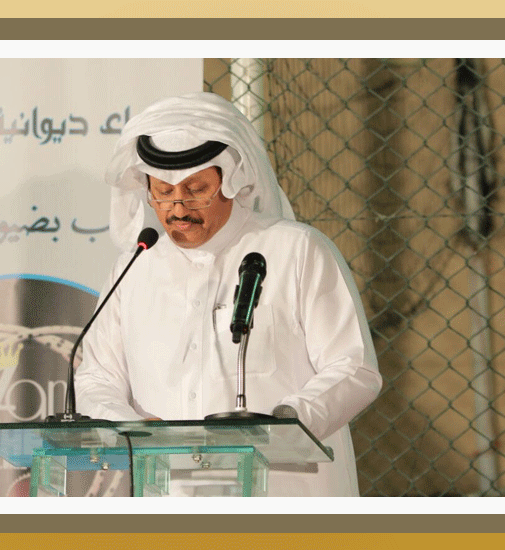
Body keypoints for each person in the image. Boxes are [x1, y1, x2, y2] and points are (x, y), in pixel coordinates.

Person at [75, 92, 382, 497]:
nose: (177, 209)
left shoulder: (296, 251)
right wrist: (131, 429)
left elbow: (354, 367)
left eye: (195, 189)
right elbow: (97, 377)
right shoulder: (134, 269)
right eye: (163, 192)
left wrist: (286, 421)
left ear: (232, 179)